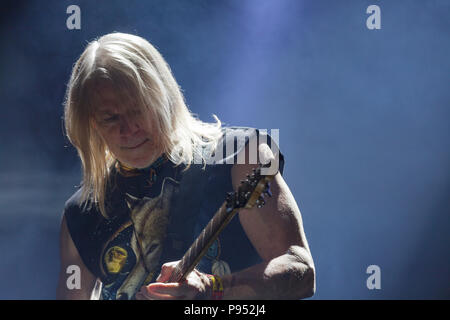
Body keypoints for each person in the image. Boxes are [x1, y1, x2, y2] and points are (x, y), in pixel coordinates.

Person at [56, 32, 315, 300]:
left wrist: (213, 288)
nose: (128, 129)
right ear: (91, 123)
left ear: (163, 96)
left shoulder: (239, 156)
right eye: (111, 117)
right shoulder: (82, 211)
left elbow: (301, 271)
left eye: (138, 110)